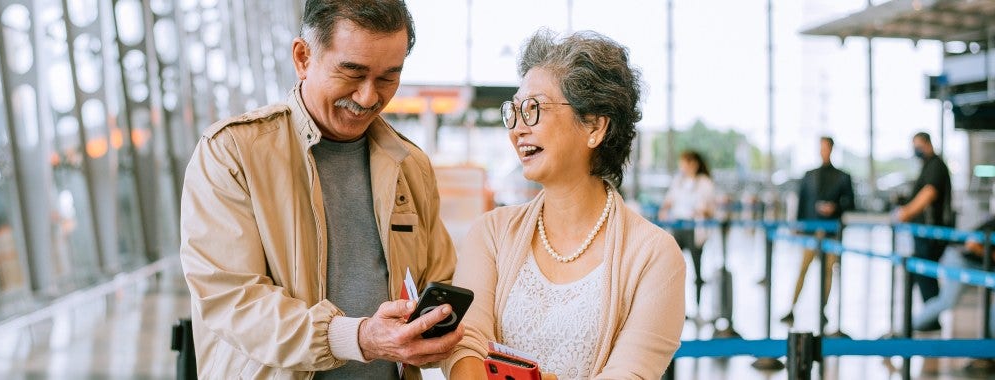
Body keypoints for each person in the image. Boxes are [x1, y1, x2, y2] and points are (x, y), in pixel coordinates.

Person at [179, 1, 460, 378]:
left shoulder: (410, 166)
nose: (368, 97)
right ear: (303, 57)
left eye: (387, 77)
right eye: (352, 72)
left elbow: (439, 282)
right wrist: (357, 337)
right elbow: (233, 300)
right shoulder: (233, 154)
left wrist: (433, 334)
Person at [443, 29, 685, 380]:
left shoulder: (655, 256)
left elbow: (630, 373)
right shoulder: (491, 233)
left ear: (595, 126)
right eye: (514, 111)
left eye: (534, 109)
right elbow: (466, 344)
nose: (517, 130)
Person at [780, 137, 854, 324]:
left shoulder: (843, 177)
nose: (824, 151)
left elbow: (851, 204)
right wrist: (798, 226)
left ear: (831, 149)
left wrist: (835, 208)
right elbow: (802, 202)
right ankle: (792, 307)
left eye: (826, 148)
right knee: (803, 269)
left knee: (828, 272)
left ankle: (823, 310)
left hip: (831, 233)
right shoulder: (809, 175)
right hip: (811, 232)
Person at [910, 212, 995, 335]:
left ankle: (988, 338)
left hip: (980, 262)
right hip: (961, 259)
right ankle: (910, 325)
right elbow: (972, 244)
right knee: (947, 301)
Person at [895, 132, 953, 329]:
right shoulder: (927, 166)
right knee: (922, 273)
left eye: (918, 146)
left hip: (932, 232)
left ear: (927, 144)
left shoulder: (935, 165)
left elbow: (929, 193)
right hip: (924, 232)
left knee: (925, 271)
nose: (916, 150)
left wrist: (907, 212)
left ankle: (930, 318)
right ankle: (929, 317)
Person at [658, 150, 716, 310]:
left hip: (694, 228)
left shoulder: (704, 182)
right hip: (678, 226)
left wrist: (701, 211)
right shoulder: (678, 181)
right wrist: (664, 210)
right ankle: (673, 307)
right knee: (672, 265)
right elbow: (669, 199)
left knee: (697, 267)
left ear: (694, 164)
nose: (683, 166)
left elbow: (711, 209)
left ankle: (698, 307)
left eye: (685, 162)